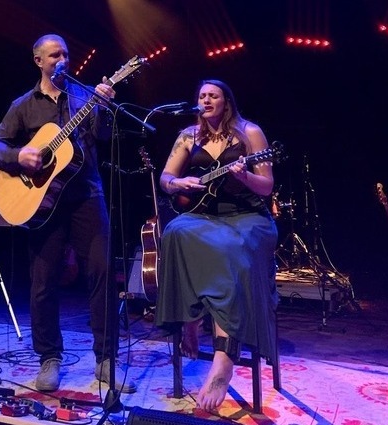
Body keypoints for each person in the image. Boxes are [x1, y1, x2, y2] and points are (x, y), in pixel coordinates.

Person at [0, 34, 136, 393]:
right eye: (54, 55)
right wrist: (18, 156)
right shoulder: (23, 105)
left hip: (87, 193)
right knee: (43, 283)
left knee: (102, 274)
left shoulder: (85, 95)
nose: (62, 60)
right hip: (42, 202)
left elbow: (103, 137)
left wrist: (102, 108)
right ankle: (49, 359)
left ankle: (105, 360)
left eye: (66, 53)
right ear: (38, 61)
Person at [155, 79, 278, 412]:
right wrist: (178, 182)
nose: (206, 99)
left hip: (249, 217)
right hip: (204, 216)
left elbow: (266, 186)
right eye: (201, 95)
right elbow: (166, 179)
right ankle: (189, 321)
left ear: (226, 102)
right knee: (175, 233)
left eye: (213, 95)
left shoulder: (249, 133)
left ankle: (224, 358)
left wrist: (243, 177)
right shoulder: (187, 135)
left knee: (229, 250)